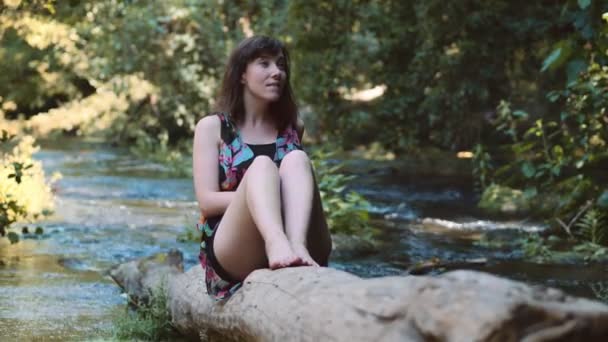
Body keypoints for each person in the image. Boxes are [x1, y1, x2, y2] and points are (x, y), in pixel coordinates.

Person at [192, 36, 332, 300]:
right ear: (242, 74)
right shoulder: (212, 127)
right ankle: (276, 242)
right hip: (236, 248)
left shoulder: (293, 126)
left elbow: (299, 186)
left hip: (301, 239)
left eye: (280, 65)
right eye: (264, 64)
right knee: (263, 167)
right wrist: (264, 196)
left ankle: (298, 247)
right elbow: (207, 201)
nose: (277, 72)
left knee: (297, 159)